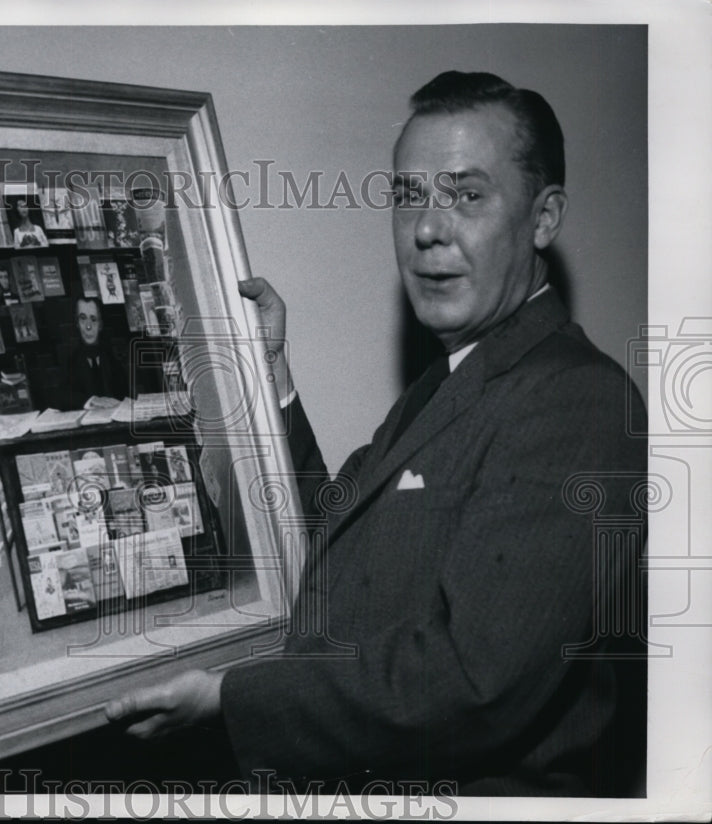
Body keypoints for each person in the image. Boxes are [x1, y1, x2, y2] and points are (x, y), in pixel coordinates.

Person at [104, 71, 647, 796]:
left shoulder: (579, 398)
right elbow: (337, 549)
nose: (426, 228)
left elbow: (474, 683)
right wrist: (275, 385)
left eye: (466, 195)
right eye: (408, 196)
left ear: (544, 218)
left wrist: (228, 699)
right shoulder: (452, 378)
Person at [65, 296, 128, 410]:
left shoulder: (113, 359)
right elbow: (59, 396)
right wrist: (90, 401)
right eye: (83, 319)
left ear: (101, 325)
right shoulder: (71, 361)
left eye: (93, 319)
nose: (88, 326)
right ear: (77, 324)